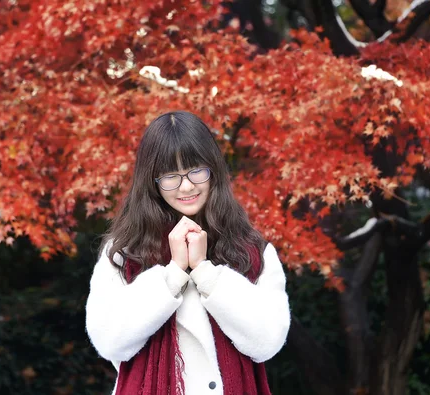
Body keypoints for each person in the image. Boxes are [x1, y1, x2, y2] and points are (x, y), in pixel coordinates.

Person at [85, 111, 291, 395]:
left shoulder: (253, 252)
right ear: (153, 181)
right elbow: (109, 342)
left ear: (213, 170)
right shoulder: (123, 252)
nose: (186, 186)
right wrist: (172, 275)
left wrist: (207, 275)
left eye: (196, 170)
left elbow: (268, 342)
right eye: (170, 175)